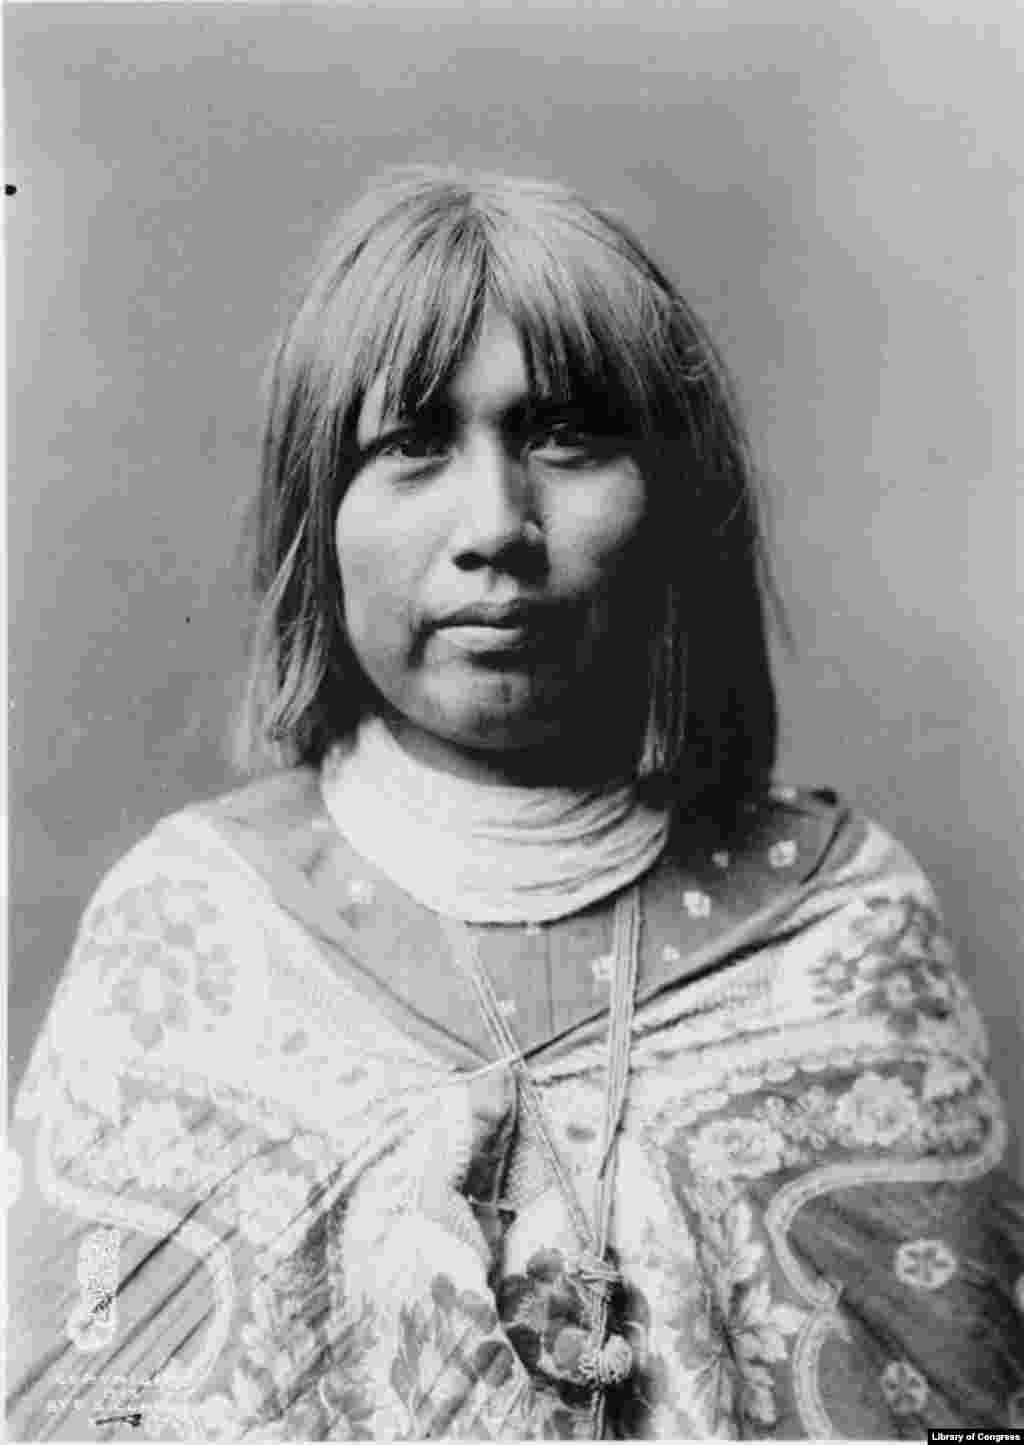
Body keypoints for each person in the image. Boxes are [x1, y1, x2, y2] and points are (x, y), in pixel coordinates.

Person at [6, 168, 1022, 1442]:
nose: (495, 525)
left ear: (675, 501)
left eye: (568, 437)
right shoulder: (192, 937)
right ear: (320, 520)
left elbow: (964, 1408)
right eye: (410, 446)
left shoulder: (842, 927)